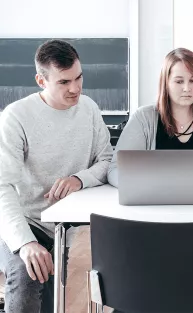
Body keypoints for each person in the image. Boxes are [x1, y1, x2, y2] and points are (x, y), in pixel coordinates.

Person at [0, 39, 113, 313]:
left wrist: (79, 179)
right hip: (29, 223)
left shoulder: (89, 109)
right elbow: (3, 187)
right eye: (64, 82)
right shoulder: (16, 117)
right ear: (41, 80)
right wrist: (25, 243)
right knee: (27, 278)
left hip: (74, 225)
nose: (75, 88)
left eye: (79, 78)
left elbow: (107, 161)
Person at [107, 48, 193, 186]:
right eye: (179, 81)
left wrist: (160, 175)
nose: (187, 88)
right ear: (165, 84)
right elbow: (115, 169)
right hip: (155, 200)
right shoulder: (143, 118)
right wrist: (141, 183)